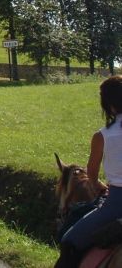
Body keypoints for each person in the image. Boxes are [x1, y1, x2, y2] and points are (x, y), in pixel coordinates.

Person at [55, 76, 122, 268]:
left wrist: (98, 184)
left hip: (116, 205)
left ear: (109, 105)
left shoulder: (102, 136)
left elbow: (91, 174)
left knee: (69, 241)